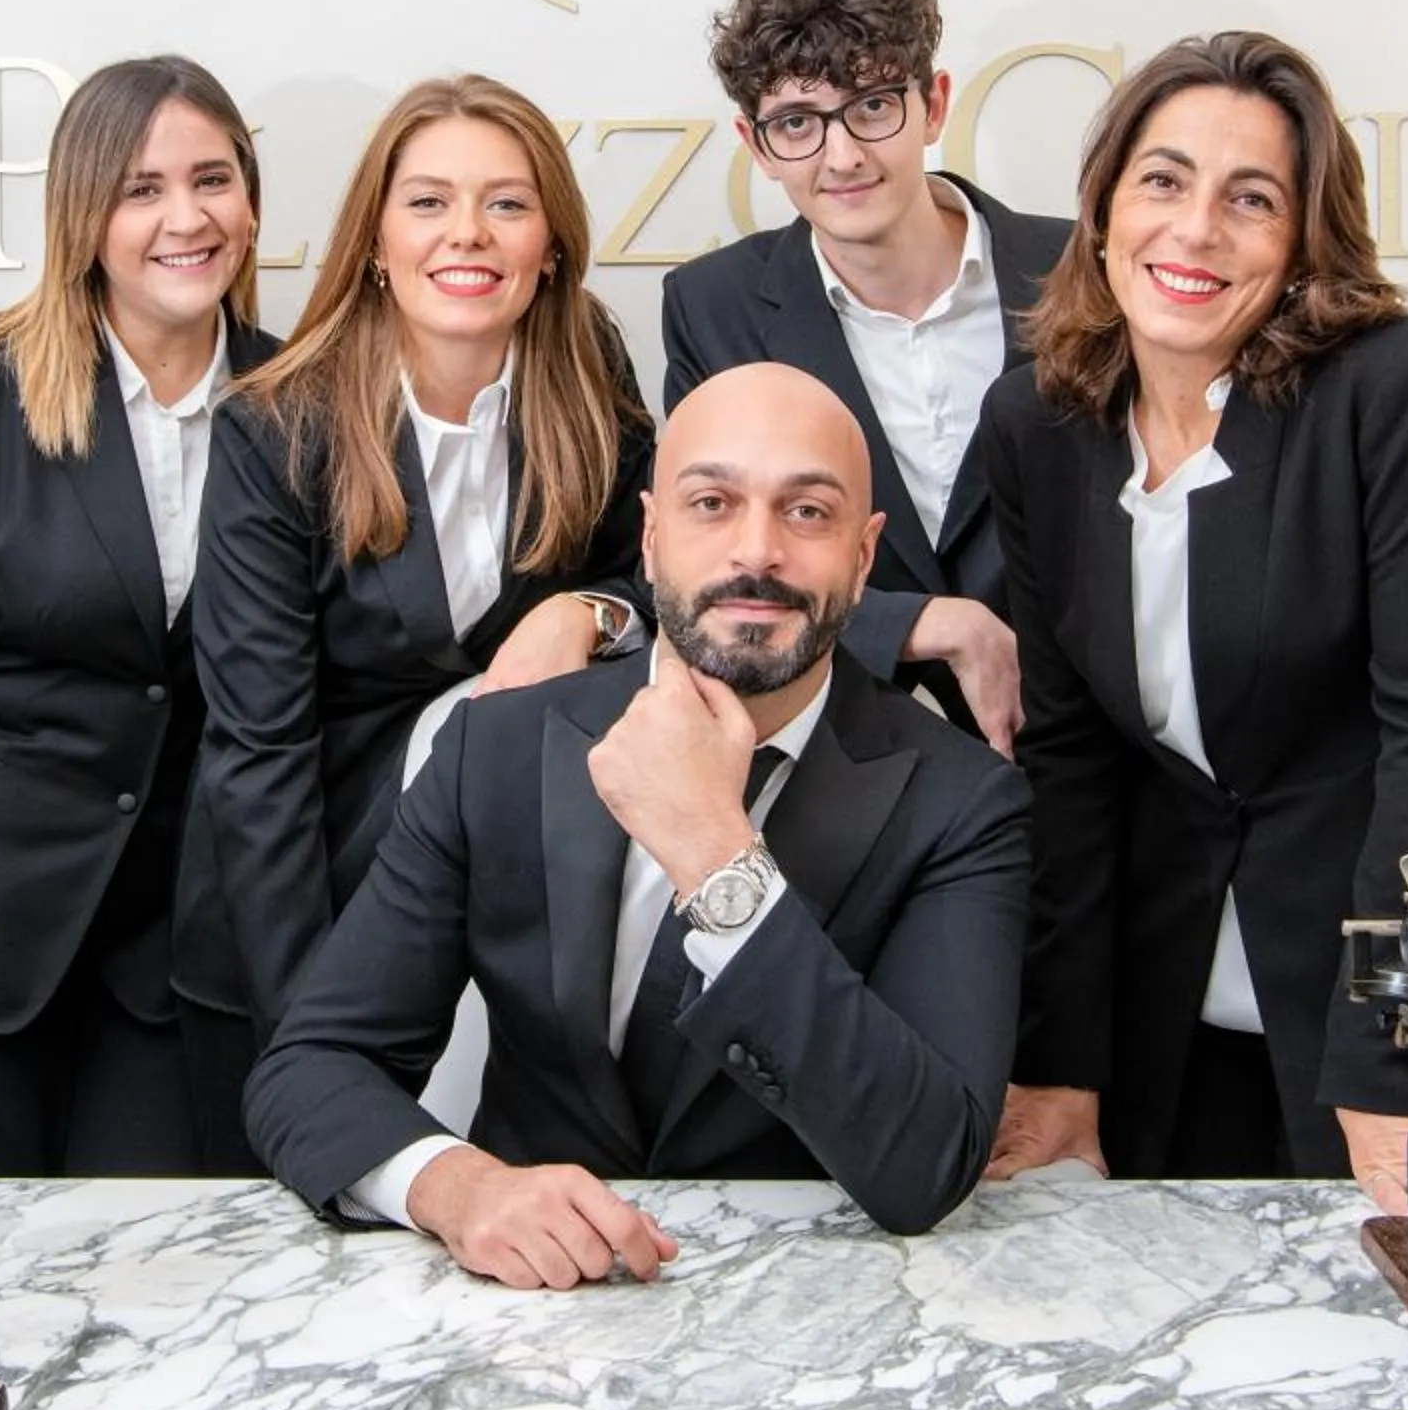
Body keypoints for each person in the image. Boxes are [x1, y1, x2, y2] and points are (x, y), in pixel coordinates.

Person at [243, 363, 1031, 1286]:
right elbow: (312, 1067)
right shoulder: (493, 749)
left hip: (814, 1300)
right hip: (524, 1312)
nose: (757, 551)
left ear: (864, 560)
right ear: (651, 539)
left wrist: (716, 854)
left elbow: (927, 1164)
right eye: (712, 504)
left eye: (807, 512)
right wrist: (457, 1187)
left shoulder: (963, 802)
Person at [978, 32, 1408, 1210]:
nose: (1196, 230)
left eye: (1251, 199)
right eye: (1163, 181)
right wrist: (1058, 1057)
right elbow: (1069, 757)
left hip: (1357, 995)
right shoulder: (1036, 424)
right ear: (1104, 210)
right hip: (1151, 999)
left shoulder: (1395, 387)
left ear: (1305, 239)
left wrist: (1391, 1055)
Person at [0, 55, 280, 1174]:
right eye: (141, 189)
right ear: (83, 214)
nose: (185, 218)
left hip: (184, 964)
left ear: (251, 200)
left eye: (212, 180)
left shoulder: (298, 397)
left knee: (163, 1266)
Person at [185, 76, 653, 1067]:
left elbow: (658, 571)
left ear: (551, 244)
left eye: (507, 203)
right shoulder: (274, 430)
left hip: (533, 896)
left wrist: (587, 612)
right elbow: (261, 751)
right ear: (376, 240)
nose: (467, 233)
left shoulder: (588, 367)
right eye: (430, 201)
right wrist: (311, 1031)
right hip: (323, 888)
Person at [662, 0, 1069, 756]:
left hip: (1081, 731)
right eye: (797, 124)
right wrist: (918, 622)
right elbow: (704, 555)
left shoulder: (1078, 272)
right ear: (756, 144)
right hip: (845, 744)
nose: (842, 156)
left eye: (874, 106)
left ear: (933, 104)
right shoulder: (713, 306)